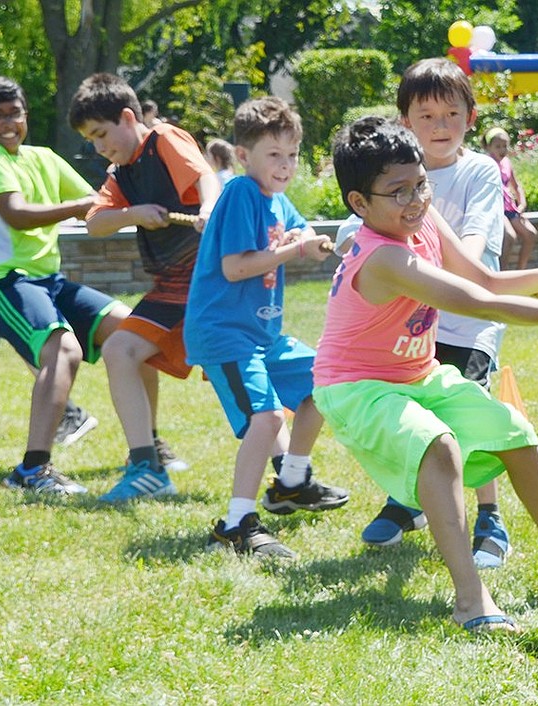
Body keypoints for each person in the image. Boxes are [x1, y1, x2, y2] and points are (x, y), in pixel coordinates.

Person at [319, 116, 538, 632]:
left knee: (516, 433)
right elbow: (484, 303)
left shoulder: (421, 221)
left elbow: (484, 277)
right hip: (355, 387)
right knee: (438, 445)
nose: (416, 199)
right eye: (398, 192)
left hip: (417, 374)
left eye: (421, 184)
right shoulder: (384, 257)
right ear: (359, 204)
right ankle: (470, 597)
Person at [351, 59, 514, 570]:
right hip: (411, 325)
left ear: (471, 116)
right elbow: (360, 231)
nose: (440, 126)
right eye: (426, 116)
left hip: (468, 318)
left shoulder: (480, 171)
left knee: (472, 412)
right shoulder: (395, 173)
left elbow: (473, 246)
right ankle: (409, 499)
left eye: (452, 112)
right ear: (404, 122)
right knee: (411, 413)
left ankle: (489, 515)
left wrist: (417, 265)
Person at [184, 96, 349, 557]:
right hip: (224, 332)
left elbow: (301, 236)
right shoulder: (240, 194)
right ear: (243, 156)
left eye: (293, 155)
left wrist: (309, 241)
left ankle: (292, 482)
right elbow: (236, 267)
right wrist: (294, 250)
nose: (286, 165)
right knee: (268, 415)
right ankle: (236, 524)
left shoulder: (277, 200)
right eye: (274, 155)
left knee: (325, 382)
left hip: (264, 335)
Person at [0, 75, 131, 493]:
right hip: (2, 284)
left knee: (131, 332)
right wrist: (83, 205)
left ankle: (146, 452)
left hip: (48, 282)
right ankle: (31, 470)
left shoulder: (42, 157)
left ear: (26, 114)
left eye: (14, 113)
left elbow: (98, 205)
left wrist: (139, 194)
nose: (7, 123)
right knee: (63, 349)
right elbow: (17, 214)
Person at [70, 72, 223, 501]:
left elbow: (206, 177)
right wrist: (134, 212)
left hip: (205, 280)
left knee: (236, 377)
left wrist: (209, 208)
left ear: (126, 116)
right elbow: (96, 222)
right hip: (175, 284)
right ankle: (147, 461)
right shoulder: (122, 172)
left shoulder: (164, 139)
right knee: (126, 351)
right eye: (91, 140)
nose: (99, 147)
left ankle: (289, 469)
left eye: (101, 134)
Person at [0, 94, 97, 444]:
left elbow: (17, 210)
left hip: (9, 271)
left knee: (43, 340)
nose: (7, 124)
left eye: (14, 114)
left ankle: (65, 418)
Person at [482, 126, 538, 270]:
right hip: (496, 208)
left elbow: (516, 184)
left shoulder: (507, 162)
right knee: (509, 236)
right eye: (498, 146)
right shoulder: (486, 163)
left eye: (505, 146)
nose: (502, 150)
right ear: (489, 147)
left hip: (509, 206)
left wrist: (522, 203)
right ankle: (501, 273)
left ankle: (521, 270)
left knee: (530, 234)